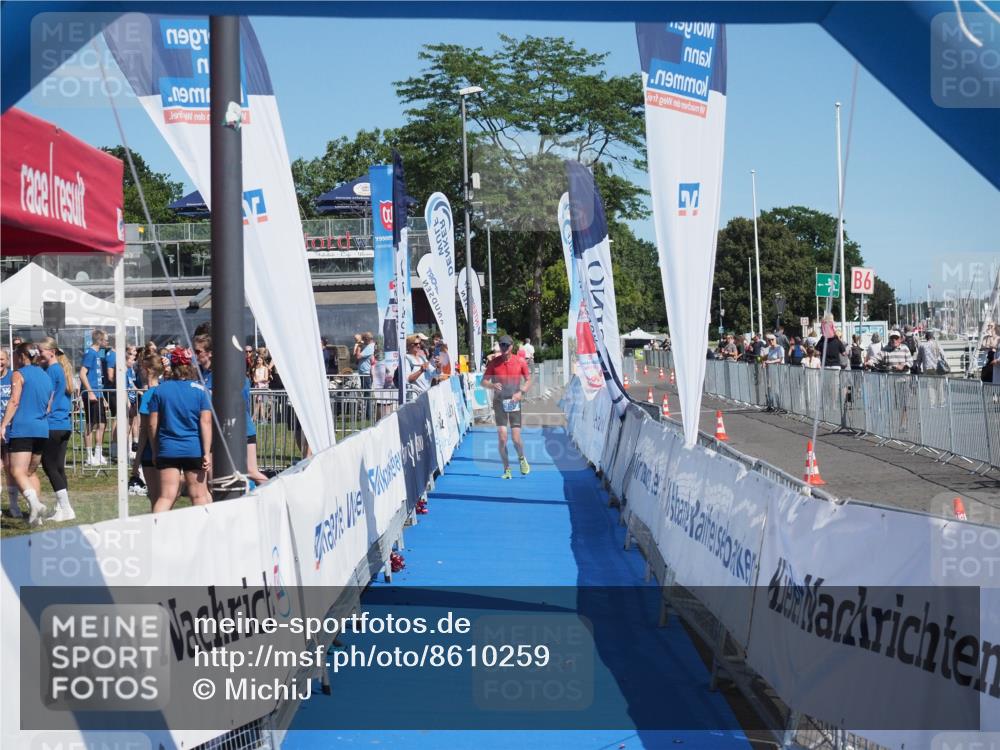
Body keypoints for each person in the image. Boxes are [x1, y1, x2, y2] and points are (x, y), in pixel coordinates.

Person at [194, 331, 270, 486]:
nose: (194, 355)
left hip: (241, 429)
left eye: (198, 351)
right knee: (213, 477)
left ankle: (277, 496)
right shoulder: (200, 374)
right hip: (216, 431)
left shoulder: (227, 373)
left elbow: (240, 395)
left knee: (251, 471)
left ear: (210, 353)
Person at [148, 348, 212, 512]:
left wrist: (155, 450)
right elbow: (205, 422)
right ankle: (204, 534)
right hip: (193, 448)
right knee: (199, 496)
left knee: (165, 496)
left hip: (167, 448)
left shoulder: (160, 390)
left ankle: (156, 533)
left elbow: (152, 424)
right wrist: (206, 452)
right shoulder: (201, 390)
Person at [0, 343, 54, 525]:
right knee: (30, 472)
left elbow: (14, 401)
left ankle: (34, 504)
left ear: (22, 356)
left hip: (23, 428)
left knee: (16, 470)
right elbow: (49, 405)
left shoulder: (18, 374)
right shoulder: (45, 375)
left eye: (15, 355)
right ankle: (36, 515)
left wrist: (4, 424)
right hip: (42, 429)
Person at [481, 334, 532, 479]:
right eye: (501, 345)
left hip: (514, 401)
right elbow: (483, 382)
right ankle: (507, 469)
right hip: (499, 402)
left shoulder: (520, 361)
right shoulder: (494, 363)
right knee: (502, 438)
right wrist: (491, 384)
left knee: (516, 439)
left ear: (512, 346)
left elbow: (528, 380)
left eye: (506, 345)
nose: (503, 348)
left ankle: (522, 458)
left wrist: (521, 392)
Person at [38, 338, 75, 522]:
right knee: (58, 468)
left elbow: (48, 398)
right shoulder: (59, 369)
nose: (38, 355)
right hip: (63, 424)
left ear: (51, 352)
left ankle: (66, 508)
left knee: (50, 466)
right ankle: (62, 509)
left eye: (41, 351)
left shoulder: (51, 371)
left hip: (53, 424)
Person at [131, 353, 164, 507]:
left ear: (149, 370)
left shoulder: (149, 395)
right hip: (166, 448)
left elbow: (145, 430)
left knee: (156, 497)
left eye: (142, 369)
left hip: (152, 452)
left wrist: (136, 462)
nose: (140, 372)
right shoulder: (166, 391)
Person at [79, 329, 108, 466]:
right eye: (106, 339)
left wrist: (103, 396)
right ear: (100, 340)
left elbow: (97, 378)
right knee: (91, 424)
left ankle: (98, 452)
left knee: (102, 423)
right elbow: (82, 374)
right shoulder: (90, 353)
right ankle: (89, 455)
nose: (107, 342)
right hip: (91, 394)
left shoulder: (97, 354)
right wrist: (90, 392)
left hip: (98, 394)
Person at [0, 349, 16, 517]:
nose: (0, 362)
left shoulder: (13, 376)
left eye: (2, 359)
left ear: (7, 360)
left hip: (12, 429)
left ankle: (13, 505)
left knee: (11, 469)